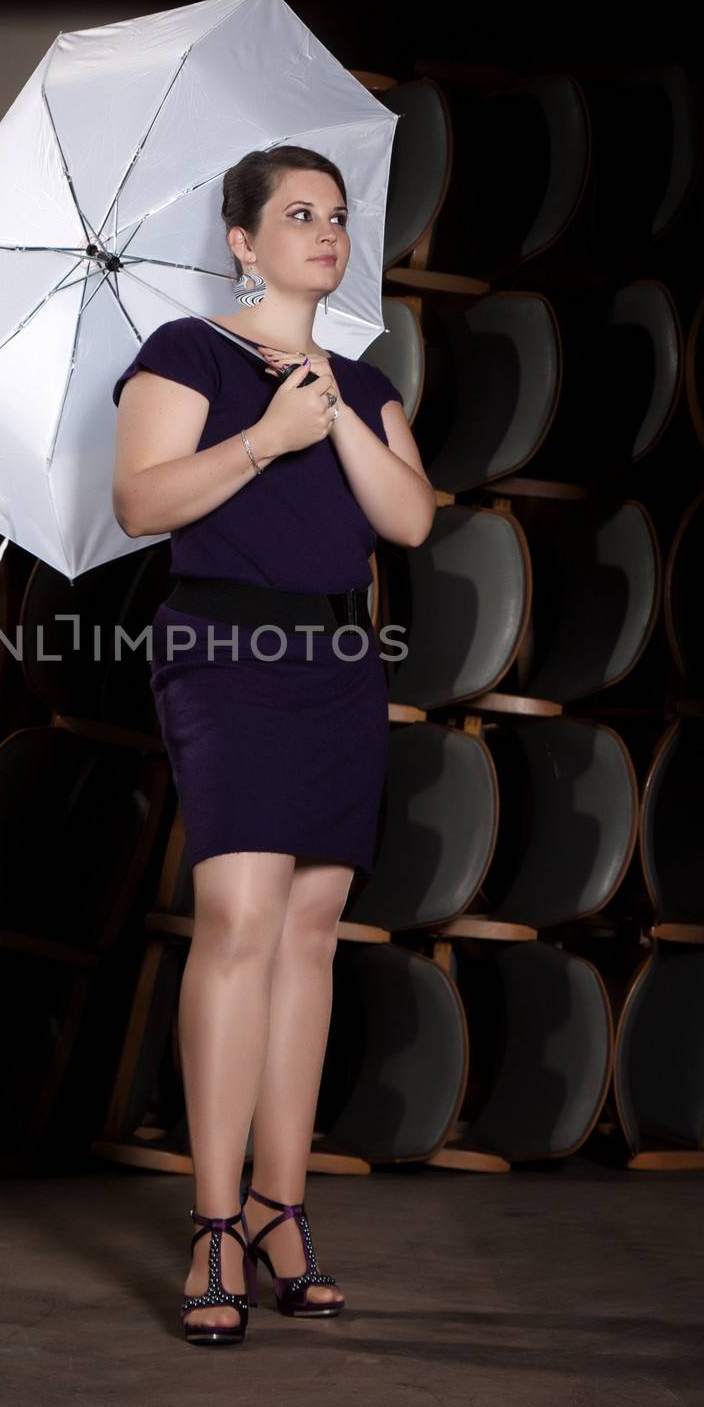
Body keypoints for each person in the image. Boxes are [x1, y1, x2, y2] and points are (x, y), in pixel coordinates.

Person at [111, 145, 434, 1346]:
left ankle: (277, 1210)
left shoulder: (360, 379)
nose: (324, 231)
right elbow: (140, 503)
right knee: (239, 921)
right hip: (220, 653)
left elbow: (405, 517)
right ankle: (209, 1226)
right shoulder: (185, 353)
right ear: (242, 240)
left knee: (309, 933)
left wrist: (331, 408)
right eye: (296, 214)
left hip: (338, 662)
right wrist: (266, 437)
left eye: (336, 216)